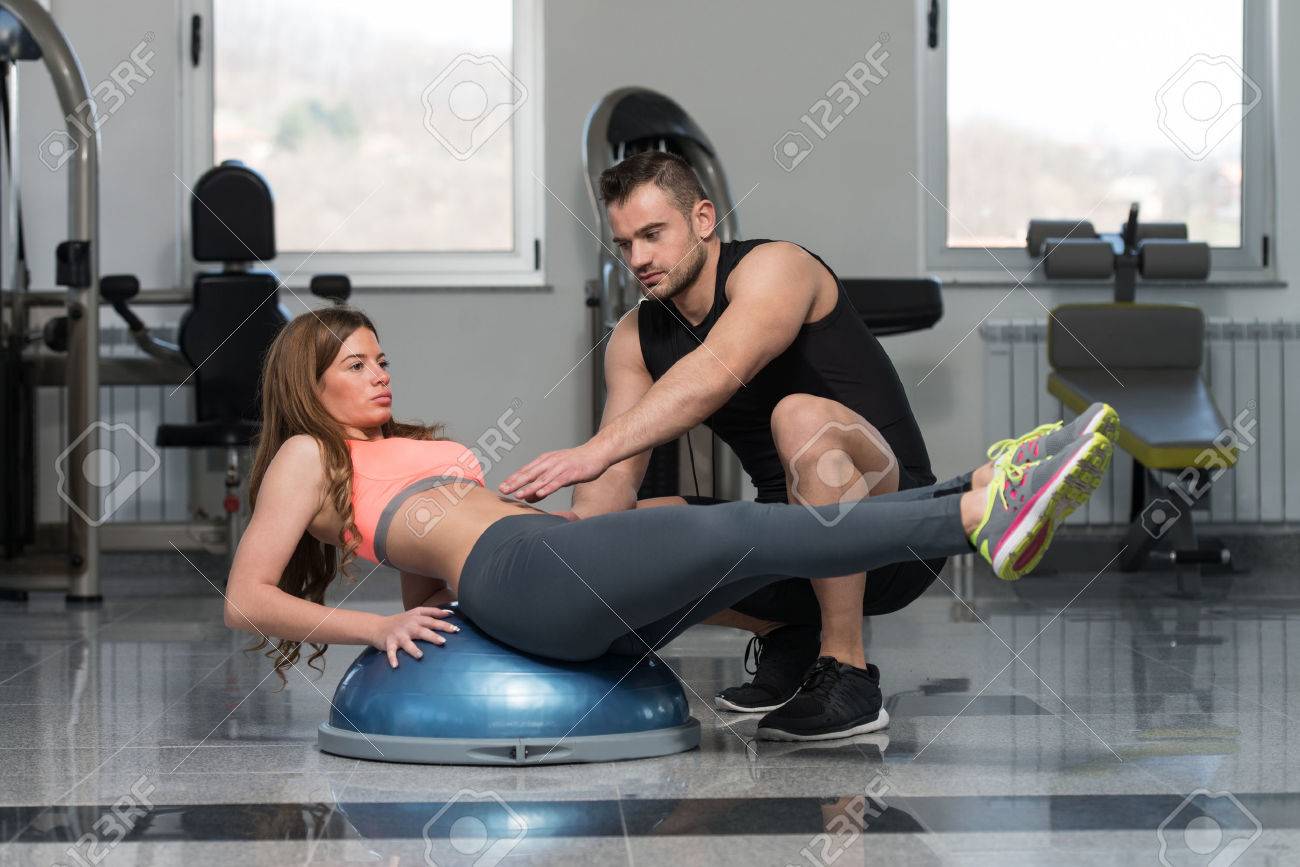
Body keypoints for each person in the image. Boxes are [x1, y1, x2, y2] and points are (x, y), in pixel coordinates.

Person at [226, 307, 1116, 744]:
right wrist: (376, 625)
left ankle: (984, 485)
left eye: (383, 357)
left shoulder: (411, 444)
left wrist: (428, 612)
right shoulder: (309, 456)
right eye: (356, 363)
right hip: (523, 571)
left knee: (735, 543)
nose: (380, 374)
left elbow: (428, 571)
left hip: (537, 574)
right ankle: (976, 507)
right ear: (312, 382)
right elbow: (246, 597)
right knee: (745, 529)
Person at [495, 150, 1119, 740]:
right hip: (784, 548)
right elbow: (601, 507)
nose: (638, 257)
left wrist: (593, 448)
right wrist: (531, 558)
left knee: (797, 416)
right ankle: (794, 640)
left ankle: (847, 672)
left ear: (703, 219)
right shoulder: (635, 338)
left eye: (654, 234)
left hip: (887, 535)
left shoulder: (776, 268)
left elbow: (718, 370)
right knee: (626, 538)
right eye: (625, 243)